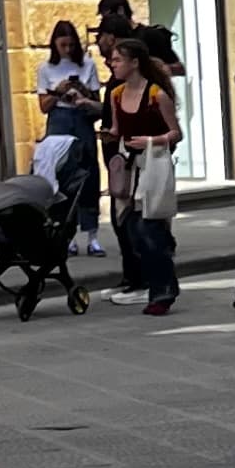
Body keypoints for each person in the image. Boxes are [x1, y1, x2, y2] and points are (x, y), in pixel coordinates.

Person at [104, 28, 182, 317]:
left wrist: (151, 141)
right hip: (128, 167)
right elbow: (116, 129)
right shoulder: (115, 94)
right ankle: (159, 284)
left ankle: (163, 291)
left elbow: (176, 133)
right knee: (133, 231)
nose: (112, 64)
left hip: (153, 165)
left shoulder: (156, 94)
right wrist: (108, 136)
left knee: (148, 229)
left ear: (134, 62)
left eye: (117, 59)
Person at [36, 19, 104, 248]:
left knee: (88, 172)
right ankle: (68, 233)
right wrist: (58, 91)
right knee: (62, 174)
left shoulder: (87, 65)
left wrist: (80, 91)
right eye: (62, 45)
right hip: (59, 120)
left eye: (70, 45)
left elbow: (97, 102)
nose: (67, 50)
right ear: (54, 45)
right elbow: (44, 106)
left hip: (81, 118)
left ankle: (92, 233)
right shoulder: (46, 69)